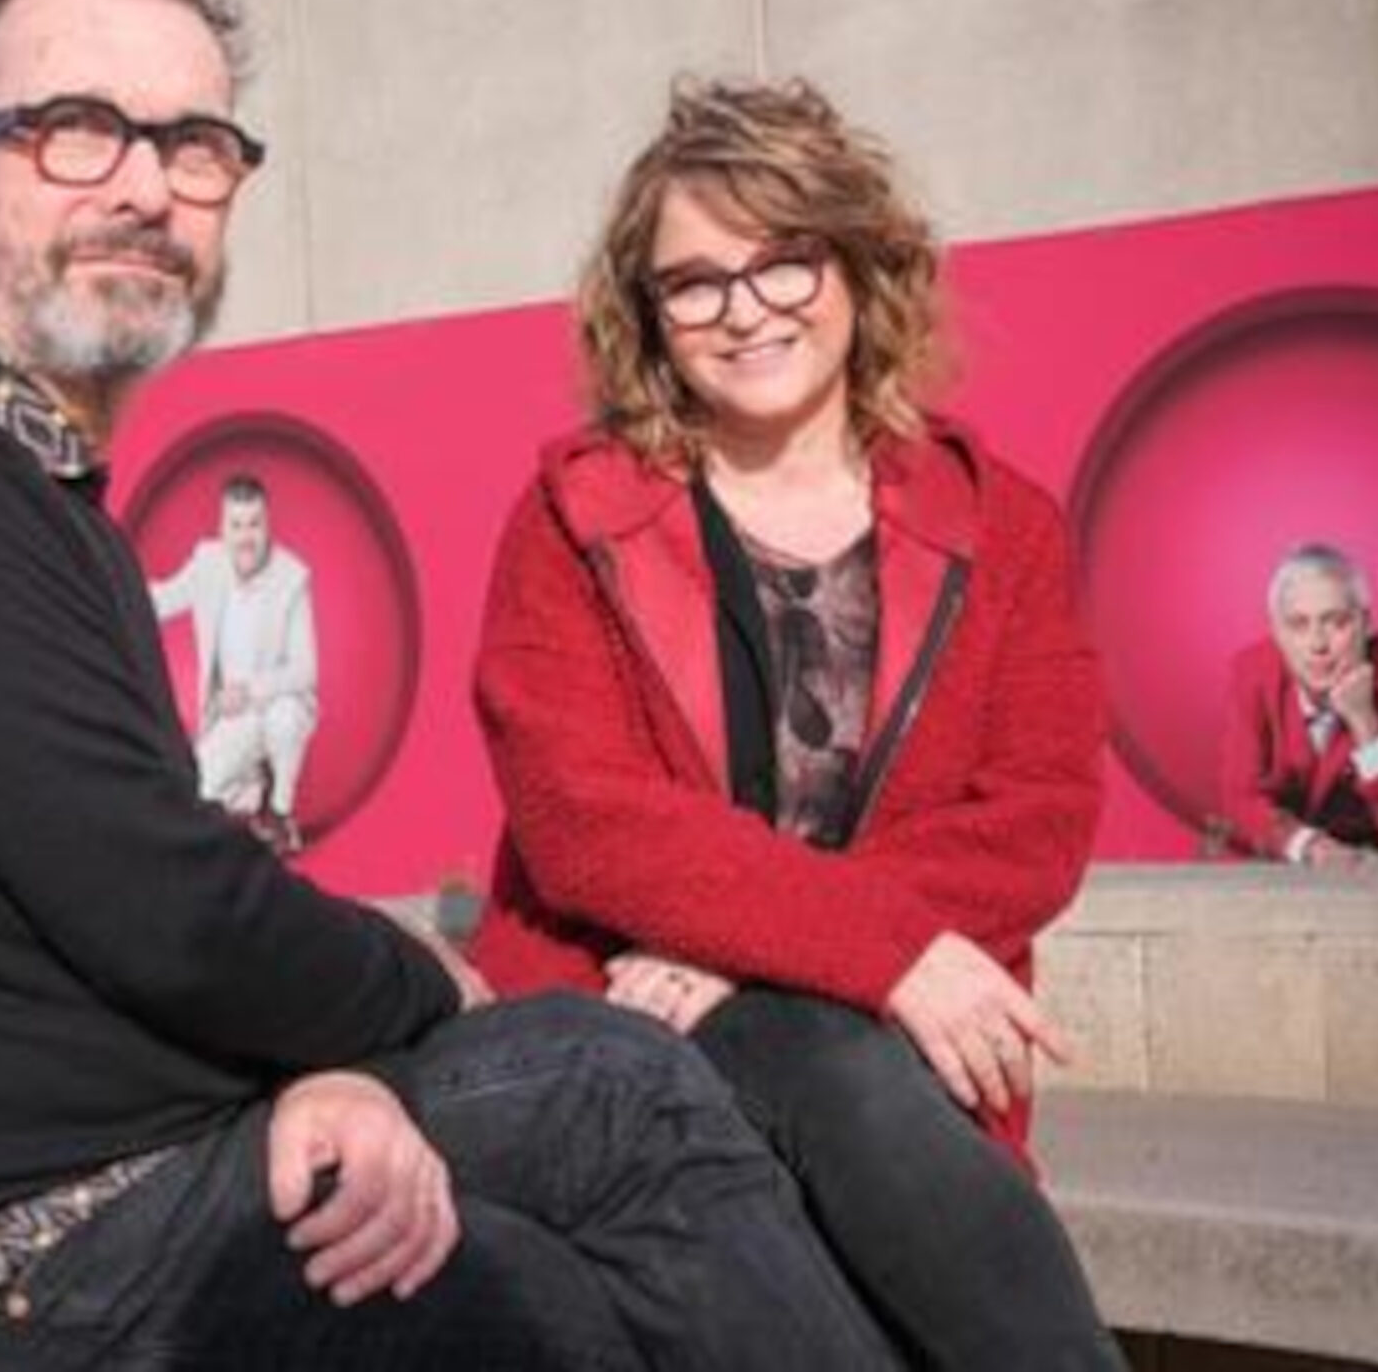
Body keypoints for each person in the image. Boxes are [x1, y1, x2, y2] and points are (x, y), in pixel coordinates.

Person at [0, 0, 893, 1369]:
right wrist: (421, 989)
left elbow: (97, 911)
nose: (145, 188)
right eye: (74, 129)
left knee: (554, 1225)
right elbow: (164, 911)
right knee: (602, 1121)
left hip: (82, 1171)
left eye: (194, 145)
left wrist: (330, 1072)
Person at [471, 77, 1122, 1369]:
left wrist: (756, 950)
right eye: (694, 282)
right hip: (631, 1030)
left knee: (830, 1072)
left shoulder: (1004, 524)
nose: (744, 308)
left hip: (895, 1068)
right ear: (647, 313)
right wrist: (860, 944)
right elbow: (583, 820)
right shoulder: (575, 517)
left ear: (858, 267)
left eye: (784, 260)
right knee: (808, 1068)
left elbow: (1037, 818)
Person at [1213, 543, 1378, 863]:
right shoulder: (1250, 676)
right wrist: (1311, 846)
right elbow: (1238, 799)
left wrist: (1365, 721)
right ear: (1276, 632)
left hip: (1375, 873)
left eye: (1336, 622)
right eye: (1298, 625)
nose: (1318, 644)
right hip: (1276, 865)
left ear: (1367, 624)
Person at [151, 473, 319, 851]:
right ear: (222, 528)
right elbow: (162, 601)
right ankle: (250, 788)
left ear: (268, 525)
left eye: (254, 524)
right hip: (231, 716)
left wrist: (250, 691)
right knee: (200, 793)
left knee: (286, 717)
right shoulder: (207, 562)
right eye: (237, 525)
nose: (246, 536)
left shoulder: (293, 577)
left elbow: (305, 670)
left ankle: (279, 812)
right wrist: (115, 584)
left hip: (273, 703)